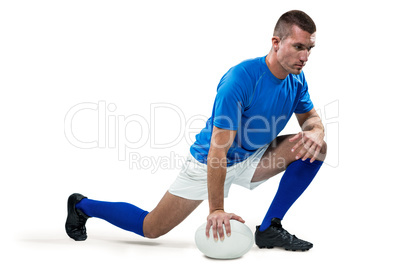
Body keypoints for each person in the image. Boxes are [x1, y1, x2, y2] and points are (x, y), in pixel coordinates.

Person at [65, 10, 327, 252]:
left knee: (317, 148)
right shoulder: (241, 79)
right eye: (299, 47)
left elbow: (311, 118)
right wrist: (217, 209)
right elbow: (218, 150)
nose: (305, 57)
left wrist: (316, 130)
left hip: (252, 156)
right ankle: (82, 205)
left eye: (310, 49)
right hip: (209, 163)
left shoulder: (296, 78)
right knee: (151, 228)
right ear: (276, 42)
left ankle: (270, 227)